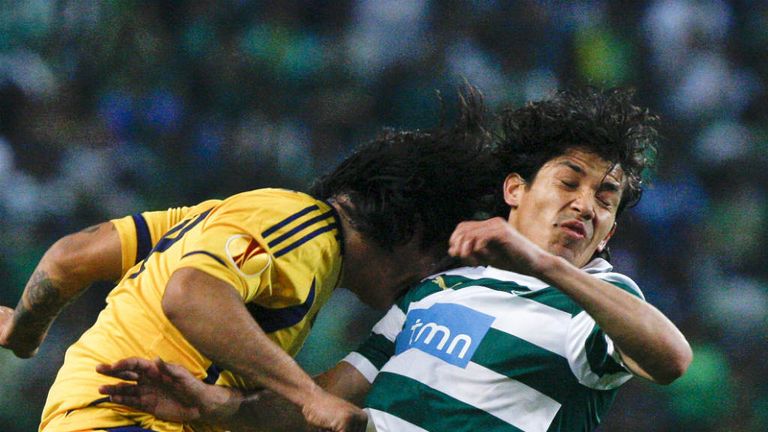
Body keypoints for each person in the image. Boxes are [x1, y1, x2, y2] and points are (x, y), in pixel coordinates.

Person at [96, 86, 693, 432]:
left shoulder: (600, 300)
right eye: (570, 182)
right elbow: (322, 402)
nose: (586, 205)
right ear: (515, 189)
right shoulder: (436, 291)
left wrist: (544, 266)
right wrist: (217, 408)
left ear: (611, 229)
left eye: (606, 198)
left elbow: (671, 360)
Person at [0, 87, 502, 432]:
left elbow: (71, 257)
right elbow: (190, 294)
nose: (430, 274)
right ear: (412, 232)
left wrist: (23, 331)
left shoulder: (219, 216)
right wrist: (310, 396)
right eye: (439, 255)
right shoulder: (307, 233)